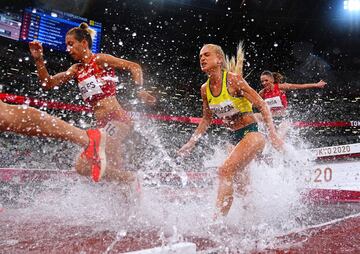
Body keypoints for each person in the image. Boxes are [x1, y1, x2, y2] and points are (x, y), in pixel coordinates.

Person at [28, 22, 155, 184]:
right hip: (103, 124)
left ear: (84, 43)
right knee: (113, 171)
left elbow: (134, 67)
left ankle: (129, 179)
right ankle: (129, 186)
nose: (68, 49)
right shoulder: (76, 69)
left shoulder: (100, 59)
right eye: (67, 45)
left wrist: (139, 89)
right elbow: (48, 84)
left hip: (118, 120)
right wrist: (39, 60)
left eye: (71, 44)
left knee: (83, 165)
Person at [177, 43, 283, 217]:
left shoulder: (233, 80)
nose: (202, 58)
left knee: (225, 171)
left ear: (219, 60)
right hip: (233, 138)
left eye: (207, 55)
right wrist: (191, 143)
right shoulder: (205, 89)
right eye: (200, 56)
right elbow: (206, 119)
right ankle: (252, 216)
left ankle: (217, 221)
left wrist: (273, 135)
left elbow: (262, 105)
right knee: (241, 185)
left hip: (252, 133)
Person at [258, 71, 326, 137]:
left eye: (266, 80)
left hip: (283, 119)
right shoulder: (262, 93)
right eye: (262, 81)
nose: (264, 83)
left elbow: (300, 86)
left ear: (272, 80)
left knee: (278, 138)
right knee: (255, 116)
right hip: (271, 120)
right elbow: (253, 103)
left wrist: (316, 85)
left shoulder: (280, 87)